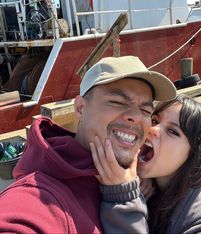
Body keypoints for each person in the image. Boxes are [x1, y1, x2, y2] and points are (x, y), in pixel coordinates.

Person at [0, 56, 176, 232]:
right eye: (117, 102)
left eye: (146, 110)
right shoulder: (39, 196)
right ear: (80, 108)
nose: (136, 117)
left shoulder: (137, 176)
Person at [91, 94, 201, 234]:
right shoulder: (146, 189)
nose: (152, 130)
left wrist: (124, 199)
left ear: (195, 155)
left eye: (172, 131)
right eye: (154, 121)